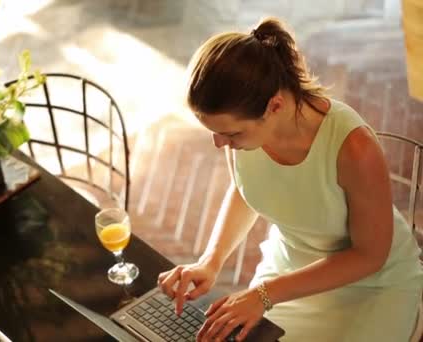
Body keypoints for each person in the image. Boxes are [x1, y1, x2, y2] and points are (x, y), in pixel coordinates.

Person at [157, 17, 423, 342]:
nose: (219, 143)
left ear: (275, 105)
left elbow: (370, 256)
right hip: (289, 270)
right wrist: (211, 262)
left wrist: (264, 294)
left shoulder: (354, 148)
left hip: (372, 283)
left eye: (230, 133)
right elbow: (244, 189)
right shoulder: (245, 133)